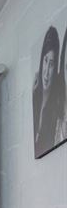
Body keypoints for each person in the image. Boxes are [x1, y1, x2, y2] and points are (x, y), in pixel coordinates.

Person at [33, 25, 66, 157]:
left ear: (56, 66)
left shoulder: (57, 104)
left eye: (51, 64)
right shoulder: (35, 95)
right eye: (45, 60)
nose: (46, 72)